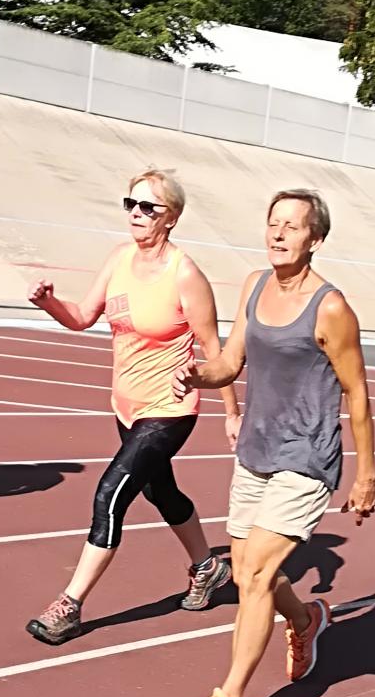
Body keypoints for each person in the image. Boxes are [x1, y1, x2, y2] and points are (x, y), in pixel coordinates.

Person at [173, 189, 375, 697]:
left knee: (258, 573)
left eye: (292, 226)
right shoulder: (254, 285)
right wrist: (199, 375)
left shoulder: (331, 308)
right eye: (273, 223)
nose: (279, 233)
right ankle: (306, 619)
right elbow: (231, 361)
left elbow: (357, 393)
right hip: (257, 450)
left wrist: (365, 474)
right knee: (245, 574)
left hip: (307, 456)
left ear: (316, 238)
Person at [25, 168, 242, 644]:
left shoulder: (186, 274)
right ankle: (208, 568)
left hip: (170, 407)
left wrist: (231, 412)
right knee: (161, 493)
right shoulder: (120, 258)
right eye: (131, 205)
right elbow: (82, 318)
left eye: (149, 207)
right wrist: (49, 303)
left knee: (109, 495)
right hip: (126, 406)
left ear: (172, 218)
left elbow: (215, 351)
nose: (137, 215)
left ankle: (70, 605)